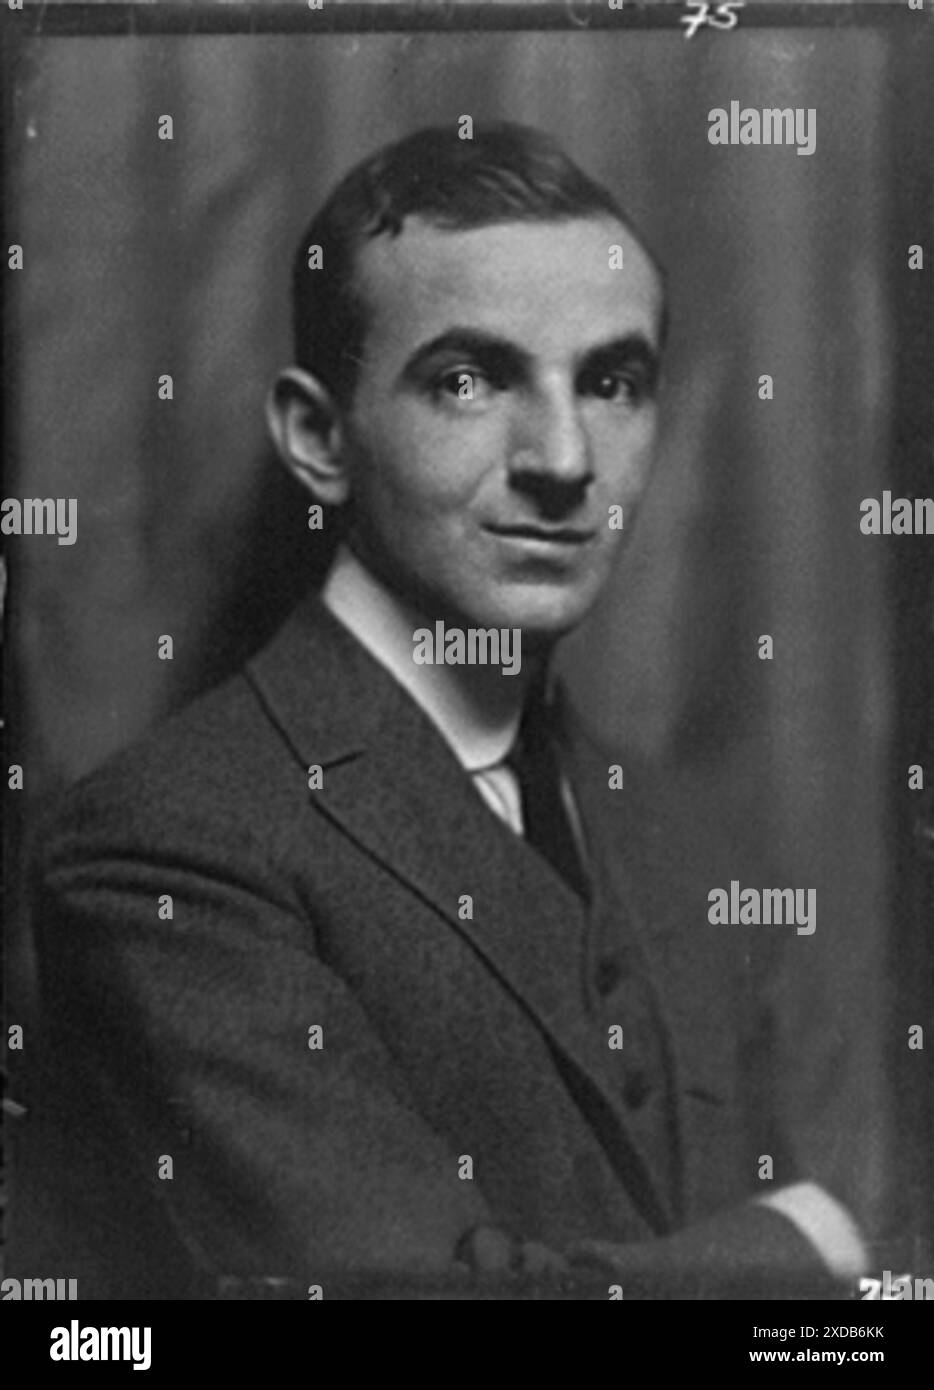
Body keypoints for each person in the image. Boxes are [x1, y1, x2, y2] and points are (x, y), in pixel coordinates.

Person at [28, 124, 870, 1299]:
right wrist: (807, 1246)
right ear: (318, 438)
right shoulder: (161, 847)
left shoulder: (687, 839)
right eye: (468, 381)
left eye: (611, 383)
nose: (565, 459)